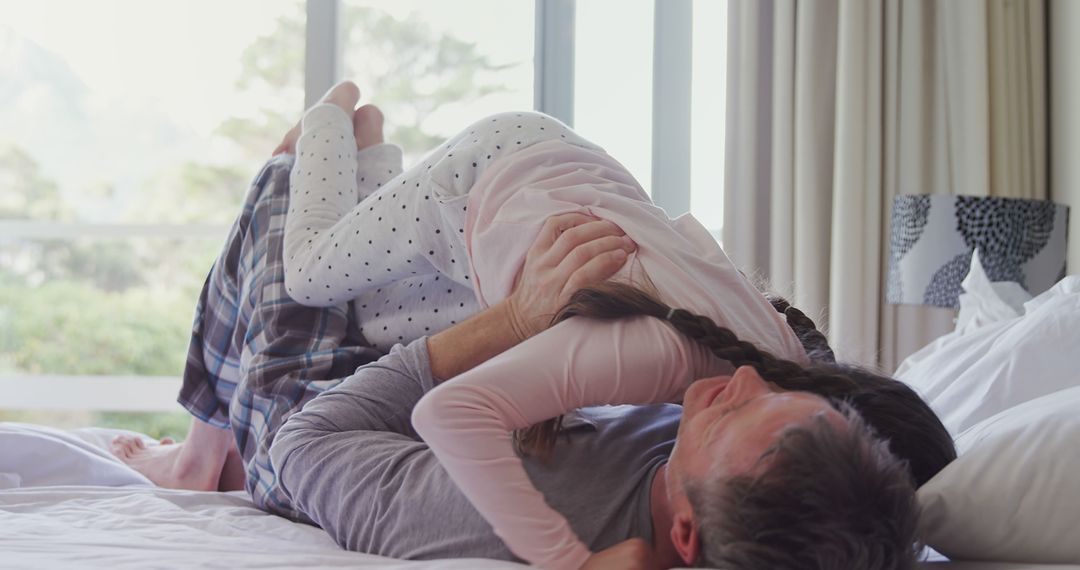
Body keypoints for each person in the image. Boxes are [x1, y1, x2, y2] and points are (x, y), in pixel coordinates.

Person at [267, 82, 955, 569]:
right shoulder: (675, 358)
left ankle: (372, 155)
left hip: (537, 207)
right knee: (306, 274)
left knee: (371, 309)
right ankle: (326, 119)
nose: (747, 377)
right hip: (499, 172)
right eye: (784, 396)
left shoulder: (754, 364)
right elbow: (451, 411)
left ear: (687, 536)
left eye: (724, 416)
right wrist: (567, 562)